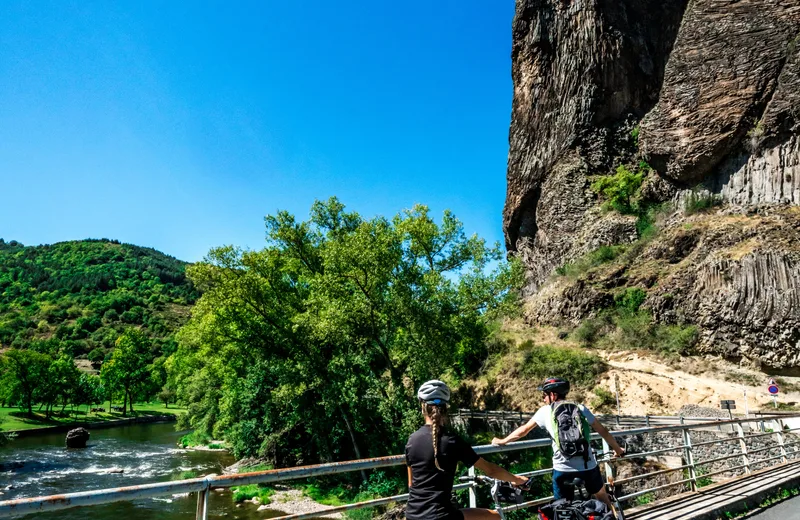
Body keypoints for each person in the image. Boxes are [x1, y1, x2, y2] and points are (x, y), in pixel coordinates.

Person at [491, 377, 625, 510]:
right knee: (602, 496)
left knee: (562, 507)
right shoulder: (580, 408)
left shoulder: (545, 411)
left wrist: (502, 441)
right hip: (587, 466)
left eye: (544, 395)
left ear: (553, 395)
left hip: (562, 468)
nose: (543, 399)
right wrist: (618, 450)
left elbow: (523, 431)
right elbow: (603, 431)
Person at [406, 380, 531, 520]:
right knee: (495, 517)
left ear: (423, 407)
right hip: (441, 516)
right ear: (446, 408)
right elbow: (491, 470)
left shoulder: (411, 440)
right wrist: (517, 479)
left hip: (412, 514)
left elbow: (411, 484)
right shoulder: (452, 441)